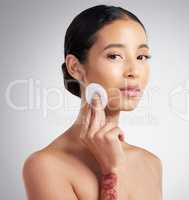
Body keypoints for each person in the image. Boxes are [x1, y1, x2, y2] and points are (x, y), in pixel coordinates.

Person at [22, 4, 162, 200]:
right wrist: (111, 171)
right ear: (75, 68)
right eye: (114, 56)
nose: (134, 71)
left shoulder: (151, 164)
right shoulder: (45, 166)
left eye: (141, 56)